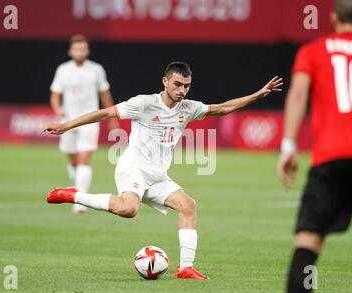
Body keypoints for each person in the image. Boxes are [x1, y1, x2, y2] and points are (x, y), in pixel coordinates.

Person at [46, 61, 283, 279]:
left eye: (187, 86)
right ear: (165, 81)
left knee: (188, 206)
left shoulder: (188, 107)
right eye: (177, 84)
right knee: (129, 209)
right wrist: (66, 125)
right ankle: (72, 195)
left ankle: (186, 267)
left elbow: (222, 108)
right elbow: (105, 113)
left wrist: (258, 95)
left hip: (157, 175)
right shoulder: (144, 103)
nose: (182, 90)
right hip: (134, 167)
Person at [277, 0, 352, 293]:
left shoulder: (313, 51)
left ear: (333, 17)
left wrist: (288, 147)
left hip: (330, 159)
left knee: (308, 242)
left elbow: (298, 94)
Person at [50, 34, 118, 213]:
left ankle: (80, 202)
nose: (80, 52)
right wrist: (58, 109)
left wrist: (112, 117)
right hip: (67, 122)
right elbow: (55, 93)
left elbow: (105, 94)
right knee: (73, 160)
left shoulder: (96, 70)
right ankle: (77, 185)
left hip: (89, 120)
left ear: (87, 51)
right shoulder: (63, 70)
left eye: (83, 49)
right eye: (76, 49)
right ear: (70, 51)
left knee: (84, 158)